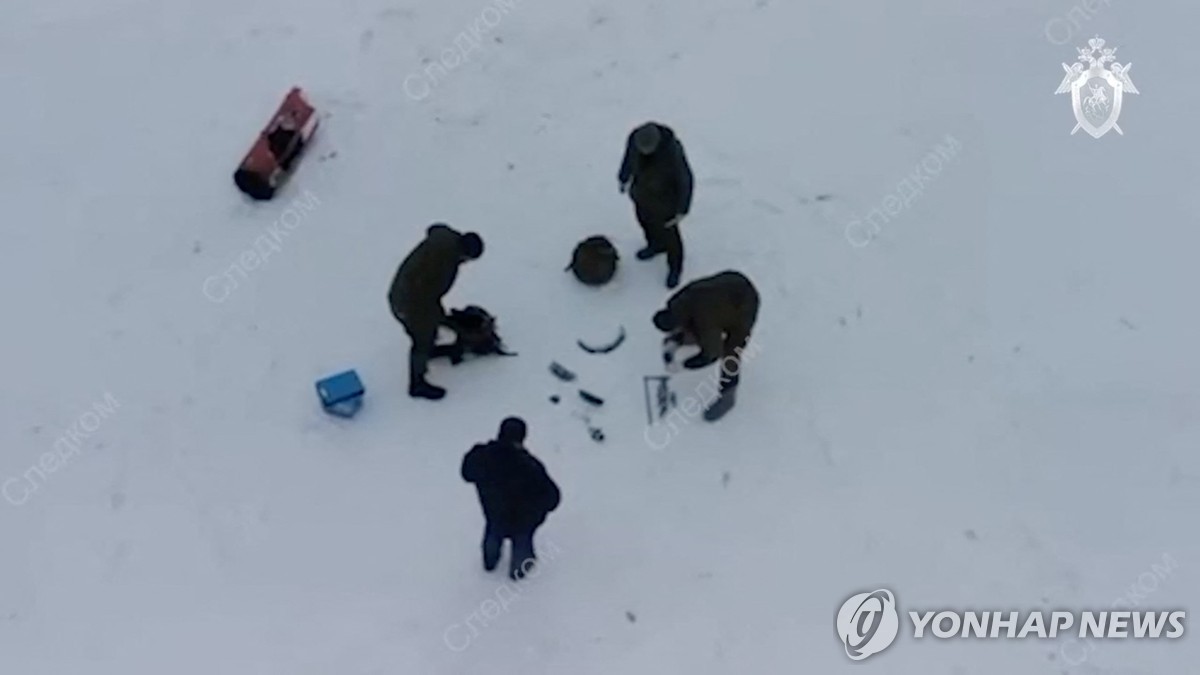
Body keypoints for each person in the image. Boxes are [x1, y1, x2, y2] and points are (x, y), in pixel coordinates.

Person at [387, 224, 484, 399]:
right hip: (407, 303)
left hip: (404, 292)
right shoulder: (444, 263)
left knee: (429, 328)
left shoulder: (445, 240)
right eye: (467, 259)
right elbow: (425, 298)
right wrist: (444, 320)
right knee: (422, 338)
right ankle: (417, 384)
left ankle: (429, 350)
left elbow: (433, 228)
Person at [461, 417, 561, 581]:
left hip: (493, 513)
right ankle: (519, 571)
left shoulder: (482, 456)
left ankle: (489, 562)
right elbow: (553, 498)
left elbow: (466, 473)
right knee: (521, 543)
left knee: (493, 534)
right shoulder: (530, 467)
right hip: (523, 521)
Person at [652, 271, 760, 421]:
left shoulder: (706, 324)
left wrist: (684, 365)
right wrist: (675, 341)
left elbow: (712, 354)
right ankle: (682, 337)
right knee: (696, 327)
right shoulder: (675, 301)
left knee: (731, 352)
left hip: (744, 303)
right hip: (729, 281)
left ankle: (727, 397)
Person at [618, 122, 694, 289]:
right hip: (641, 194)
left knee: (670, 236)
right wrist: (623, 177)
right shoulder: (634, 139)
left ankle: (675, 267)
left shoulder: (672, 151)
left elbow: (685, 179)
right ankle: (655, 245)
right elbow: (628, 158)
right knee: (645, 223)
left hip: (666, 202)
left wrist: (682, 209)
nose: (643, 152)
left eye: (647, 149)